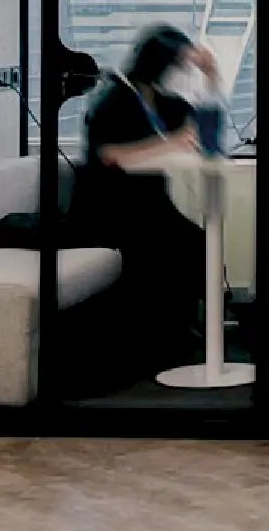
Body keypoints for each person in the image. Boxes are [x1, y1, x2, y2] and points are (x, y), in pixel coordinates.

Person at [70, 24, 218, 371]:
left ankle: (180, 334)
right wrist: (171, 142)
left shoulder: (160, 100)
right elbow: (110, 155)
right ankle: (163, 341)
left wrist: (211, 77)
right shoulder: (113, 97)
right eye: (180, 66)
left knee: (199, 244)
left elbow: (203, 123)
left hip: (151, 205)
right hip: (113, 209)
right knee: (182, 246)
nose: (183, 74)